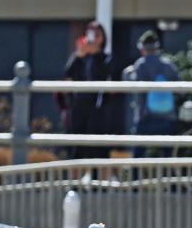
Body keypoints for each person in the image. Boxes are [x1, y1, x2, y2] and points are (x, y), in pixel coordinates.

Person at [59, 21, 116, 159]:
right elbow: (67, 75)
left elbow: (108, 77)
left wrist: (95, 53)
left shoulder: (106, 58)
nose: (93, 38)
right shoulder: (78, 57)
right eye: (90, 34)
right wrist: (79, 55)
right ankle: (75, 181)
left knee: (99, 149)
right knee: (77, 149)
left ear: (103, 38)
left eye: (97, 35)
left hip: (98, 108)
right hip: (78, 106)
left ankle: (100, 180)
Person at [125, 30, 180, 158]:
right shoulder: (168, 65)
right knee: (168, 156)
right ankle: (167, 177)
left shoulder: (140, 65)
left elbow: (132, 84)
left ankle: (136, 178)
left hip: (145, 117)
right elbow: (179, 86)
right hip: (167, 117)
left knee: (138, 155)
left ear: (142, 48)